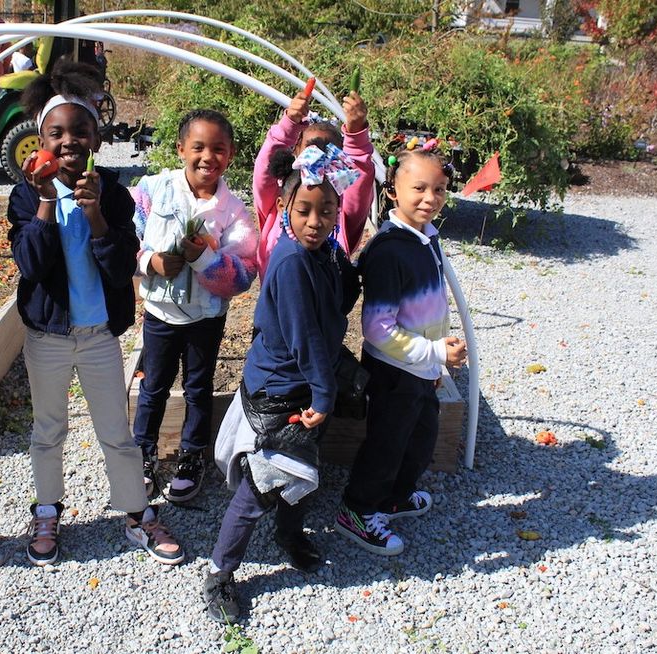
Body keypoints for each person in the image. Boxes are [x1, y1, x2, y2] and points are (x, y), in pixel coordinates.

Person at [7, 61, 183, 568]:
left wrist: (96, 215)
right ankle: (46, 510)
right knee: (48, 429)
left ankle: (136, 513)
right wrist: (44, 202)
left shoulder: (113, 192)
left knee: (115, 431)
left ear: (96, 138)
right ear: (40, 140)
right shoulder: (25, 194)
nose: (68, 141)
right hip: (49, 336)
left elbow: (118, 267)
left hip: (99, 335)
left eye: (79, 131)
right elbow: (32, 265)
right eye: (55, 133)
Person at [204, 144, 362, 623]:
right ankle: (218, 574)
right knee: (260, 486)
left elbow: (339, 301)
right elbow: (304, 337)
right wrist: (325, 393)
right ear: (287, 210)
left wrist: (344, 263)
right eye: (304, 211)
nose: (315, 221)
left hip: (306, 383)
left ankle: (289, 533)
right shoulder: (292, 262)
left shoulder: (324, 252)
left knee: (304, 470)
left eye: (326, 211)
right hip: (282, 391)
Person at [335, 142, 468, 556]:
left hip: (423, 369)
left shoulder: (427, 238)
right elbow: (377, 328)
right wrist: (435, 353)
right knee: (387, 443)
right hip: (395, 372)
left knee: (421, 437)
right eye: (419, 189)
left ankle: (393, 498)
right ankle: (356, 510)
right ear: (392, 190)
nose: (430, 199)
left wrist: (437, 353)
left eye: (440, 190)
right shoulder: (388, 250)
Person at [131, 109, 257, 503]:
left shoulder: (233, 212)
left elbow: (243, 274)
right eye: (198, 147)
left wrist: (203, 258)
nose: (208, 157)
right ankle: (141, 453)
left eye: (218, 149)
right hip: (160, 314)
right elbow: (125, 240)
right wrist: (149, 262)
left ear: (231, 154)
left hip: (205, 317)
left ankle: (191, 456)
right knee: (153, 386)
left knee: (198, 387)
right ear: (180, 148)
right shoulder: (152, 191)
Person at [253, 84, 376, 279]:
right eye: (311, 148)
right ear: (294, 153)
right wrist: (289, 124)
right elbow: (265, 171)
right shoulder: (281, 195)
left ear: (341, 158)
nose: (319, 157)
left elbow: (359, 182)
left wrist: (356, 134)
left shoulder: (342, 207)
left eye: (328, 150)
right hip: (277, 304)